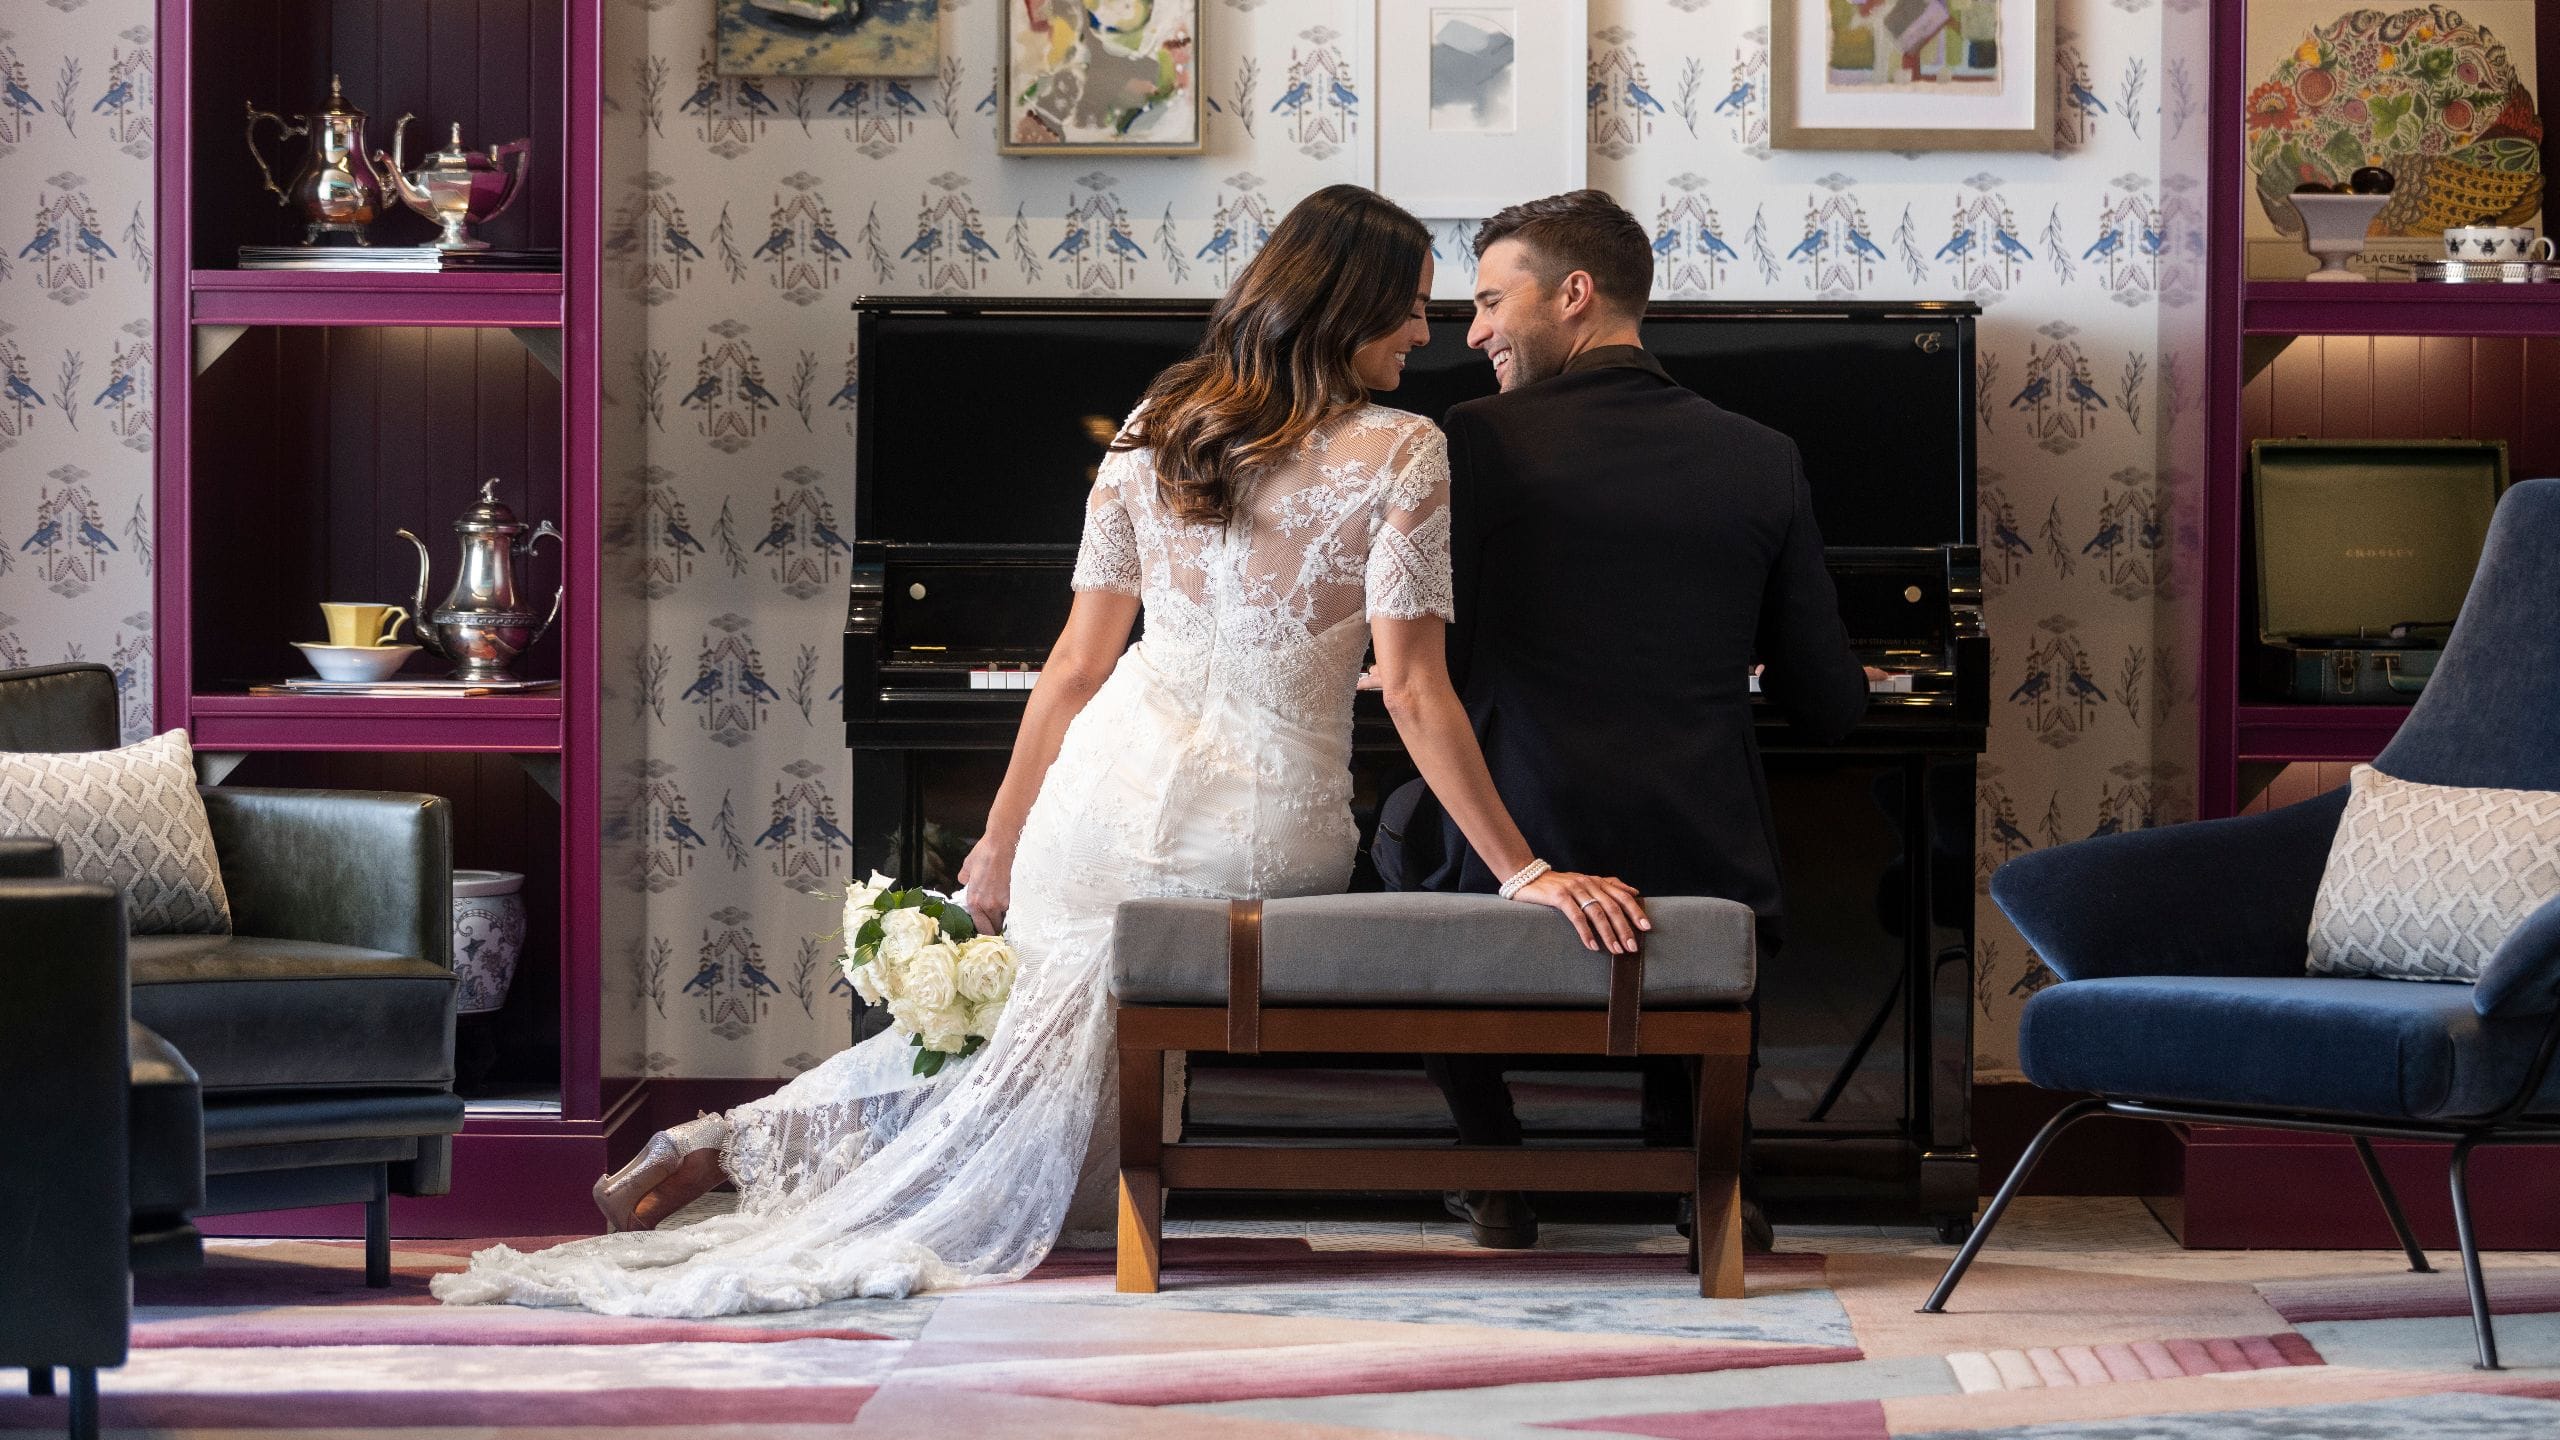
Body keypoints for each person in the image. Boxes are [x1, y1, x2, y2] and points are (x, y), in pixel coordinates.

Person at [431, 184, 1646, 1316]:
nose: (1427, 332)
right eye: (1412, 301)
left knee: (1028, 1047)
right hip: (1263, 827)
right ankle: (772, 1154)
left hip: (1098, 796)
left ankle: (748, 1142)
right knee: (1044, 1132)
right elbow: (1420, 692)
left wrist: (999, 844)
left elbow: (1073, 664)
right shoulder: (1402, 449)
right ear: (1351, 307)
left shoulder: (1161, 425)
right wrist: (1526, 871)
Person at [1372, 189, 1869, 1251]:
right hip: (1698, 846)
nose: (1474, 333)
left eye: (1492, 302)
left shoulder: (1472, 437)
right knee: (1717, 837)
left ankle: (1497, 1165)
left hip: (1521, 842)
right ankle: (1699, 1175)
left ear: (1575, 294)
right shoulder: (1761, 454)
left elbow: (1435, 670)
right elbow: (1826, 706)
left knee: (1401, 826)